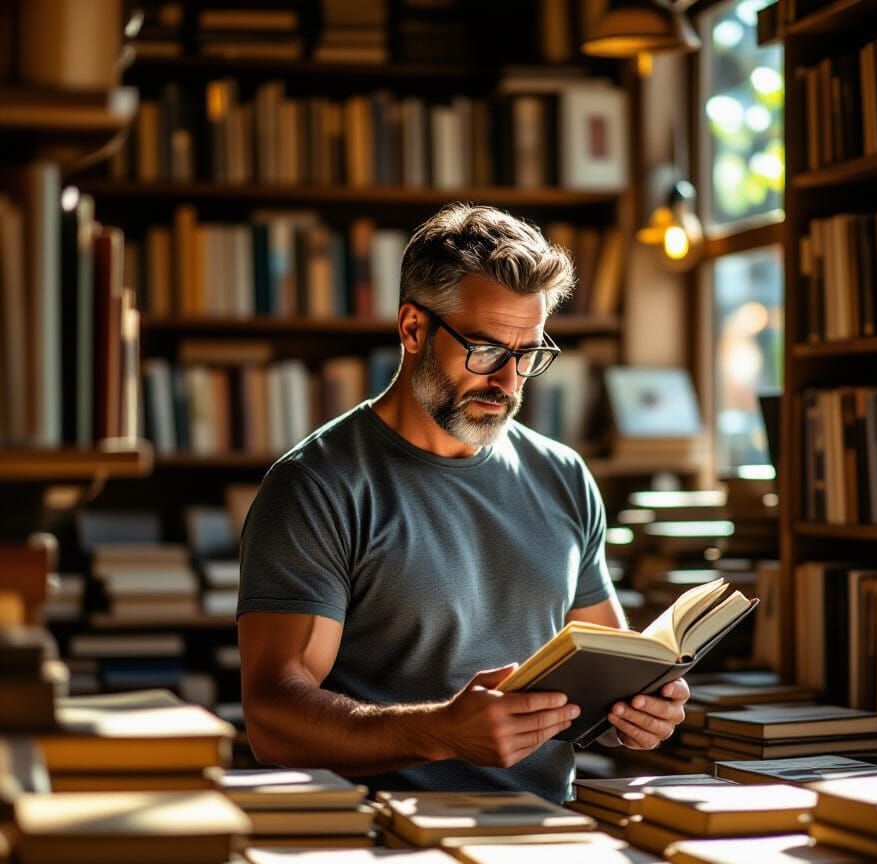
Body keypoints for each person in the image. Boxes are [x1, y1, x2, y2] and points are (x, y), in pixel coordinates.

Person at [236, 204, 689, 803]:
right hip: (385, 846)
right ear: (413, 328)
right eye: (485, 350)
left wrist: (641, 712)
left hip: (550, 837)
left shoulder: (563, 477)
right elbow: (273, 717)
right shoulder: (318, 486)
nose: (507, 381)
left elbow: (603, 672)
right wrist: (439, 733)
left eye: (527, 354)